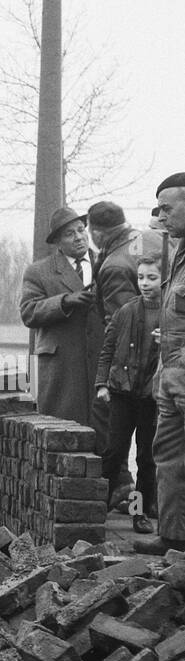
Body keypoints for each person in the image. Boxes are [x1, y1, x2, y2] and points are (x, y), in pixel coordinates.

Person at [96, 256, 161, 535]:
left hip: (152, 398)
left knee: (146, 458)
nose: (145, 284)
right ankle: (98, 506)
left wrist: (168, 340)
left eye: (152, 278)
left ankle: (139, 514)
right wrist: (102, 384)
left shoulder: (173, 315)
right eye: (141, 277)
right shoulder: (126, 311)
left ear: (164, 279)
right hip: (122, 393)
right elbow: (107, 349)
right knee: (113, 452)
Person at [20, 206, 101, 428]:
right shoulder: (39, 272)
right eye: (69, 234)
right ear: (57, 241)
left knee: (106, 440)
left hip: (100, 366)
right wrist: (63, 302)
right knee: (61, 433)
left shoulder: (105, 264)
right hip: (61, 370)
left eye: (81, 229)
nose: (78, 237)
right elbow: (28, 312)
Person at [151, 173, 185, 550]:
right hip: (171, 380)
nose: (161, 216)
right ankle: (173, 539)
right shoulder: (177, 255)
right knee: (170, 459)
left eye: (167, 208)